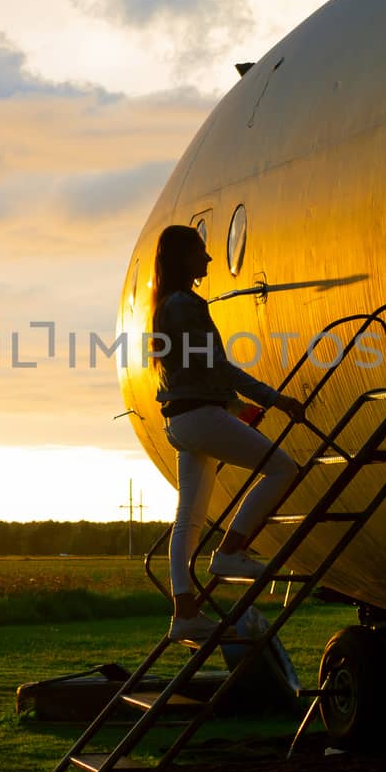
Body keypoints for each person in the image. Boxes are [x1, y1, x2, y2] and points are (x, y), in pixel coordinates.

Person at [151, 224, 305, 643]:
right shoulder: (185, 305)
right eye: (201, 251)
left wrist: (237, 408)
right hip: (200, 417)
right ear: (185, 257)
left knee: (189, 518)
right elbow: (218, 368)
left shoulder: (167, 305)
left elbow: (196, 374)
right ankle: (231, 551)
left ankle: (184, 612)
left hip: (181, 422)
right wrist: (277, 399)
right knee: (282, 468)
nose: (209, 259)